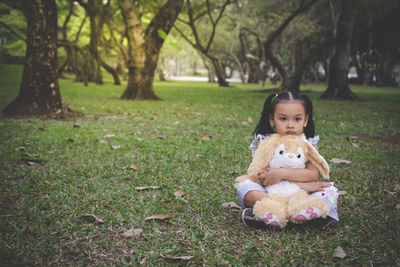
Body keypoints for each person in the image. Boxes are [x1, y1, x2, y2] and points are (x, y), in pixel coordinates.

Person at [236, 91, 339, 229]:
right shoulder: (266, 141)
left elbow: (312, 174)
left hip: (300, 192)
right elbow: (263, 176)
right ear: (272, 120)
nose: (290, 125)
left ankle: (272, 217)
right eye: (283, 119)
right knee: (246, 188)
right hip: (270, 191)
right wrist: (301, 182)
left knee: (330, 191)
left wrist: (281, 174)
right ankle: (297, 216)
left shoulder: (308, 143)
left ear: (305, 120)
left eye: (297, 119)